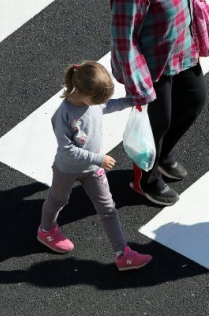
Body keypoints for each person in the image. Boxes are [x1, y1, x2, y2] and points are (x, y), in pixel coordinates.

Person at [110, 0, 209, 206]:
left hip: (182, 49)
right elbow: (124, 38)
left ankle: (162, 153)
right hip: (153, 65)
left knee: (194, 100)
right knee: (158, 122)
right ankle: (145, 179)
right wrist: (139, 86)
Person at [38, 61, 152, 271]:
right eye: (97, 99)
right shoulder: (63, 115)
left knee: (108, 208)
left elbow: (108, 106)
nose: (100, 103)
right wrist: (98, 159)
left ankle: (122, 254)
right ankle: (46, 230)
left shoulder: (93, 102)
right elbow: (67, 150)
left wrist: (132, 100)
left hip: (92, 169)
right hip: (67, 168)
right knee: (58, 199)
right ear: (80, 91)